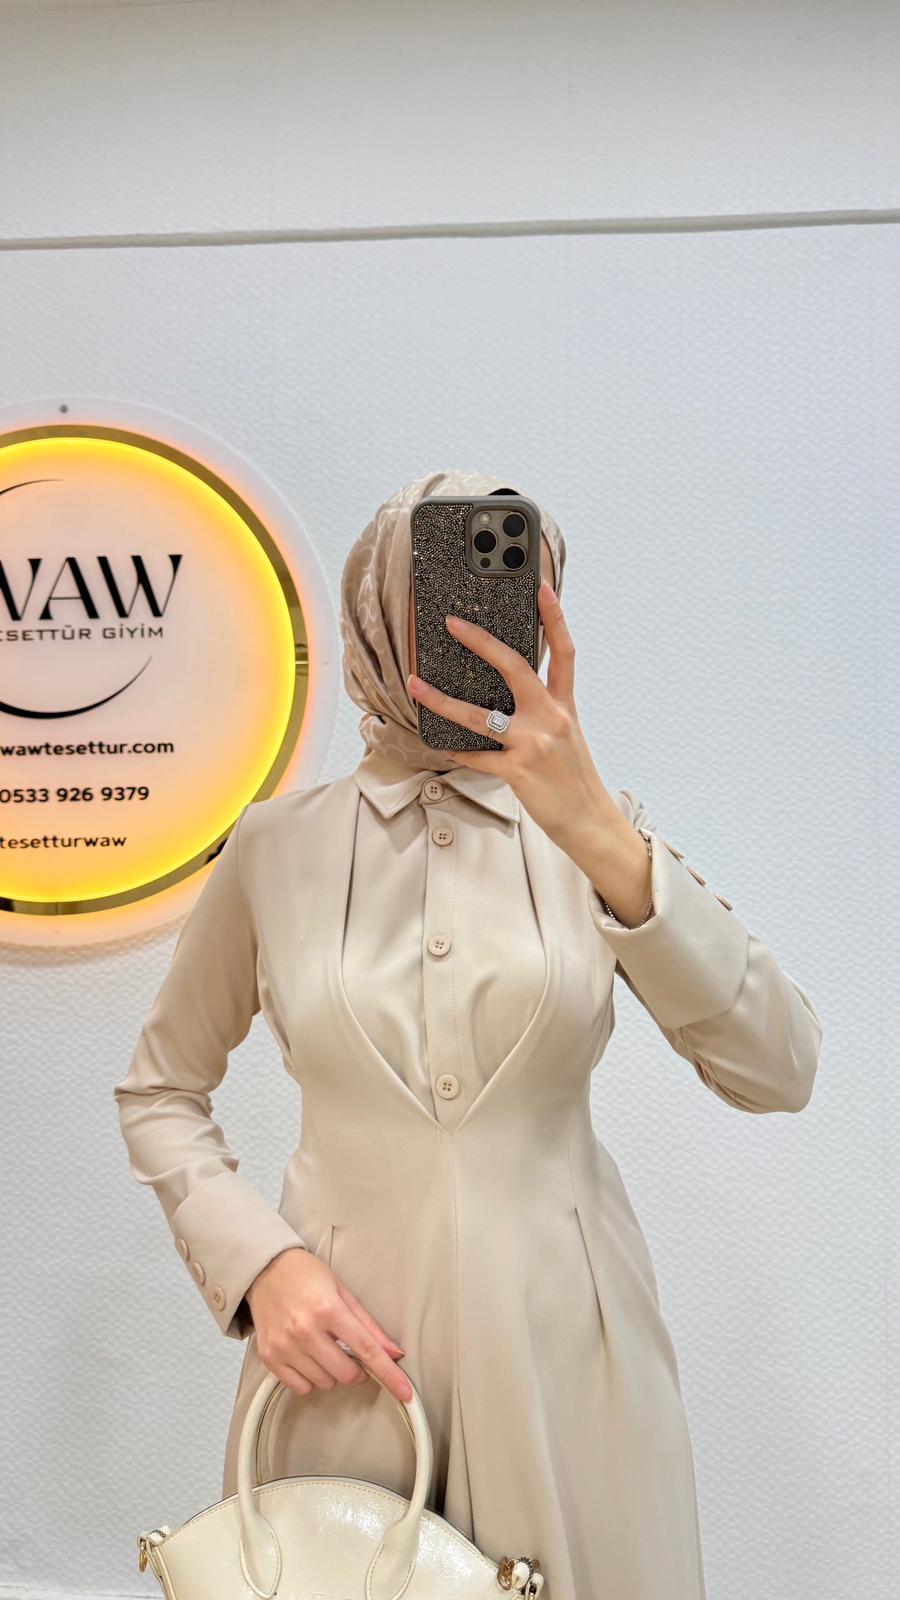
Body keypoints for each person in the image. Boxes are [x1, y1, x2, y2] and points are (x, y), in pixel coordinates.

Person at [113, 467, 823, 1598]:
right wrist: (260, 1268)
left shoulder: (601, 837)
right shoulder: (274, 848)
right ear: (373, 610)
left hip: (571, 1360)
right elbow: (160, 1090)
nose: (465, 628)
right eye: (434, 588)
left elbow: (779, 1067)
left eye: (501, 593)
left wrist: (599, 830)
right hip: (347, 1360)